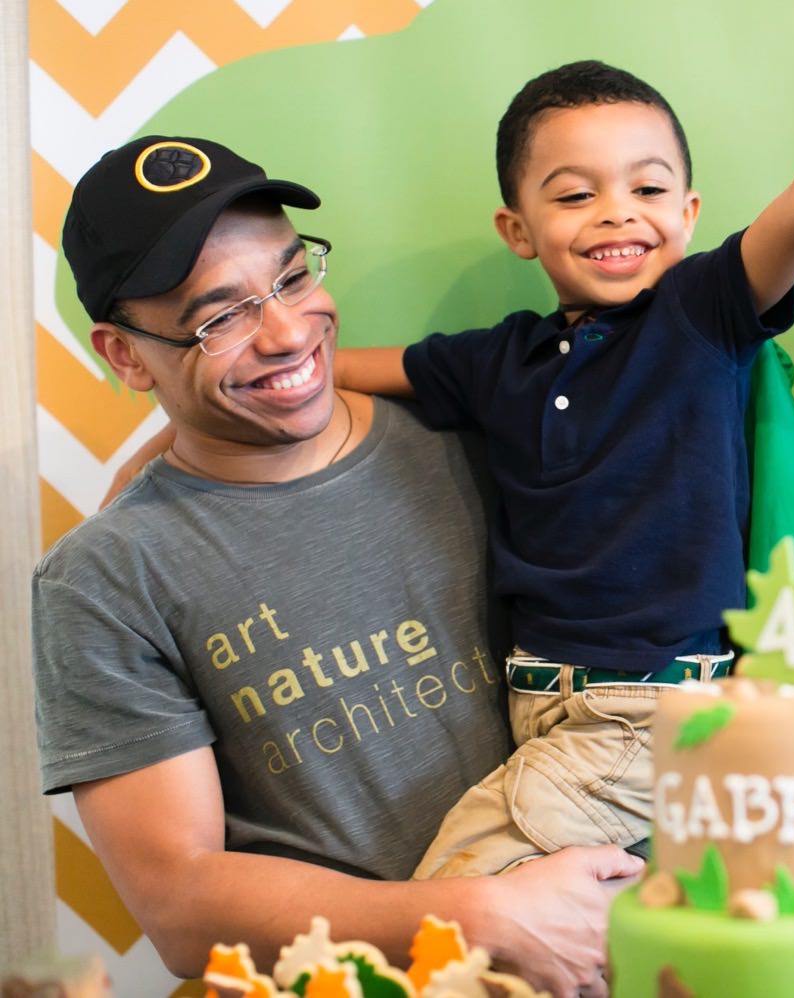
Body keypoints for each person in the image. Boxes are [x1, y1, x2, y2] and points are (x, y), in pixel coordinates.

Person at [333, 0, 794, 880]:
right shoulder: (496, 359)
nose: (616, 214)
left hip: (650, 712)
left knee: (456, 896)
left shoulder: (701, 315)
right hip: (541, 712)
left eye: (648, 190)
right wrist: (222, 386)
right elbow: (336, 372)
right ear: (518, 230)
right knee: (610, 929)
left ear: (689, 213)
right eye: (575, 195)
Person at [32, 135, 639, 994]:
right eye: (220, 318)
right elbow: (178, 902)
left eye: (292, 278)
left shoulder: (479, 435)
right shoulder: (105, 578)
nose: (287, 333)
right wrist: (481, 915)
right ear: (126, 355)